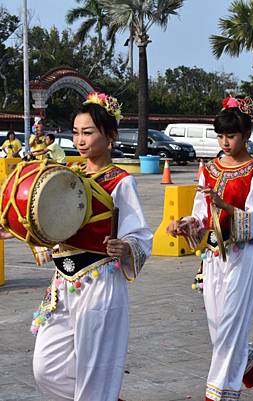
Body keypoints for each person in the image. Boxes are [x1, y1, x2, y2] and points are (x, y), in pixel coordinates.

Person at [14, 92, 152, 401]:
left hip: (99, 282)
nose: (80, 139)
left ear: (110, 135)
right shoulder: (67, 177)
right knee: (46, 369)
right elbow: (48, 224)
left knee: (94, 371)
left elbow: (141, 235)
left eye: (88, 132)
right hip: (63, 284)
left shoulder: (120, 181)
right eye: (76, 132)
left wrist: (126, 247)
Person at [166, 96, 253, 401]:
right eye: (221, 136)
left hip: (243, 257)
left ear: (246, 135)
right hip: (213, 258)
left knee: (229, 329)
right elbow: (200, 214)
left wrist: (225, 205)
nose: (225, 142)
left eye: (231, 136)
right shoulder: (209, 170)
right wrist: (187, 224)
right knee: (219, 330)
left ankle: (220, 396)